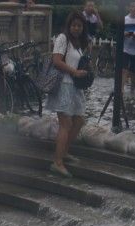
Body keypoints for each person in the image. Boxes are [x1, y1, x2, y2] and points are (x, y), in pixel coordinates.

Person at [46, 12, 91, 177]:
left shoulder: (78, 42)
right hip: (63, 85)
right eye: (74, 25)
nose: (76, 28)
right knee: (65, 124)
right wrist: (74, 72)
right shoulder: (62, 39)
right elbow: (56, 61)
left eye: (79, 26)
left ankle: (64, 153)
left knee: (79, 120)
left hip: (75, 87)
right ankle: (57, 162)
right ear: (69, 25)